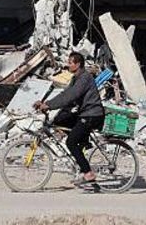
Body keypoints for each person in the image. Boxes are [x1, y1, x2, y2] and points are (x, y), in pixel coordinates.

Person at [33, 52, 105, 186]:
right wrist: (46, 102)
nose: (68, 65)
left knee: (70, 142)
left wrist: (49, 106)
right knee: (60, 121)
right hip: (84, 113)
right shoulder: (76, 78)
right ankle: (83, 145)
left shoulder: (85, 78)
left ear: (78, 64)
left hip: (92, 114)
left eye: (70, 62)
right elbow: (65, 93)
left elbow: (71, 96)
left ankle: (88, 173)